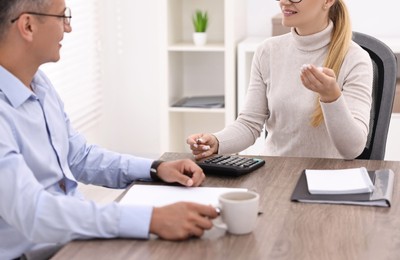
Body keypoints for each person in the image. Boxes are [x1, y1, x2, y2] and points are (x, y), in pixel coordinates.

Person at [0, 0, 218, 259]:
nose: (67, 28)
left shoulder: (39, 83)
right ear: (28, 25)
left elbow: (79, 156)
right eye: (62, 17)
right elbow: (34, 213)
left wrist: (156, 169)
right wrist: (152, 219)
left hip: (75, 239)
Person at [187, 0, 373, 160]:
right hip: (274, 175)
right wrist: (217, 141)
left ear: (328, 1)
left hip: (327, 183)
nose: (284, 1)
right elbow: (249, 124)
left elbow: (352, 150)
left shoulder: (355, 58)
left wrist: (331, 97)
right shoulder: (268, 51)